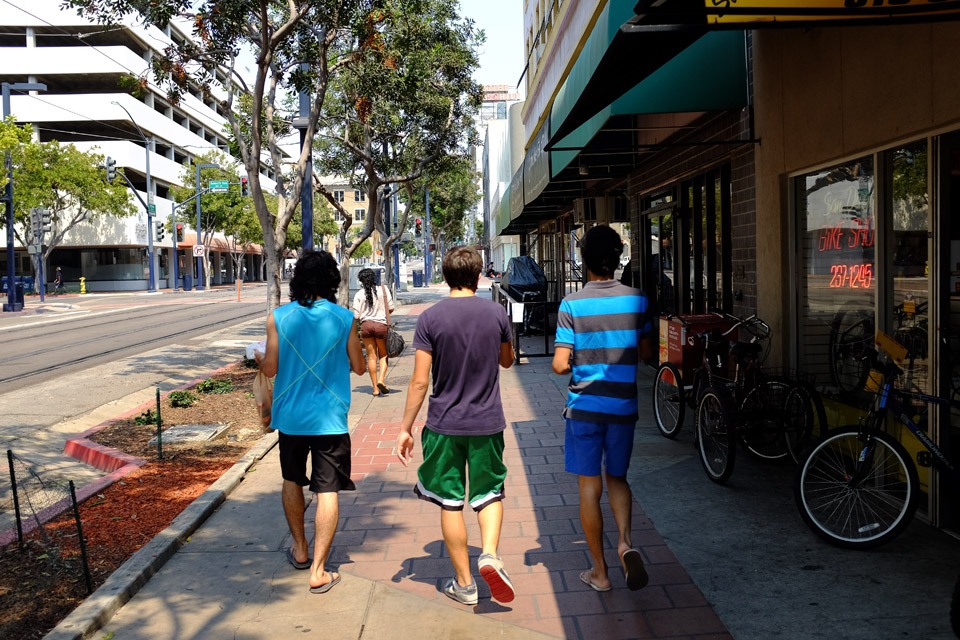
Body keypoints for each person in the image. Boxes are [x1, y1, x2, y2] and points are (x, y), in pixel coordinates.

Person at [396, 246, 516, 606]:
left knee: (451, 502)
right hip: (487, 423)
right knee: (490, 492)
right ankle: (490, 554)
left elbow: (419, 382)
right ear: (478, 276)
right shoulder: (496, 313)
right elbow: (507, 362)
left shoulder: (430, 319)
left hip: (445, 424)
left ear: (445, 276)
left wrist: (405, 427)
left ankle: (464, 585)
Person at [257, 250, 366, 594]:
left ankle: (300, 549)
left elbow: (271, 369)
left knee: (292, 480)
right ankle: (318, 570)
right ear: (332, 281)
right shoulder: (344, 318)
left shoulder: (278, 316)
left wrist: (260, 357)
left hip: (289, 418)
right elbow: (361, 367)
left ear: (298, 279)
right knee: (327, 490)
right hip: (330, 419)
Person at [551, 224, 653, 593]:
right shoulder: (637, 299)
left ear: (584, 261)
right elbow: (645, 353)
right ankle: (625, 543)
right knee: (618, 479)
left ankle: (600, 572)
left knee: (588, 488)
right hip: (623, 407)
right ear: (617, 257)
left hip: (584, 408)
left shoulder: (571, 305)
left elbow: (560, 364)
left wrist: (584, 358)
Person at [352, 268, 394, 397]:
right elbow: (391, 309)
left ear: (361, 281)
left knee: (371, 357)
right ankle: (381, 379)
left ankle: (375, 388)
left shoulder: (359, 294)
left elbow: (356, 316)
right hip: (381, 326)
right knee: (383, 355)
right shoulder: (384, 290)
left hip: (366, 327)